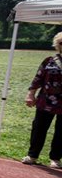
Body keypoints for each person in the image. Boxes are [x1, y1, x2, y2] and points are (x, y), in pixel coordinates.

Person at [21, 31, 62, 168]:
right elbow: (38, 78)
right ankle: (32, 155)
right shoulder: (49, 61)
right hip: (46, 100)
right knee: (39, 128)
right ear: (57, 45)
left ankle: (55, 158)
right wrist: (30, 94)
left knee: (61, 131)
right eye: (61, 43)